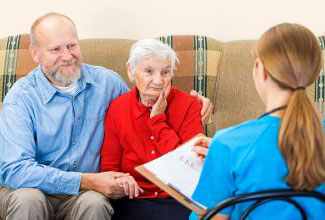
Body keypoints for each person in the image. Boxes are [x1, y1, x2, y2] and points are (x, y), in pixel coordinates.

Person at [0, 13, 212, 220]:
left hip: (83, 196)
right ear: (35, 53)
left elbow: (140, 104)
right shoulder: (21, 98)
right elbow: (15, 170)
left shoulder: (107, 83)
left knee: (94, 203)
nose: (67, 56)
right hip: (32, 190)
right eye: (55, 49)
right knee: (29, 199)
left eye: (72, 46)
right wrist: (87, 181)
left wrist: (195, 102)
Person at [190, 23, 325, 220]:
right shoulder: (228, 146)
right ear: (313, 73)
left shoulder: (229, 143)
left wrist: (224, 158)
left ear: (261, 71)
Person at [100, 39, 204, 220]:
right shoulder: (118, 108)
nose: (158, 81)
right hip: (132, 200)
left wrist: (158, 120)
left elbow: (190, 169)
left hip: (177, 199)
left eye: (165, 72)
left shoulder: (189, 105)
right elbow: (109, 168)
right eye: (149, 71)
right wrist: (120, 180)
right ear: (131, 71)